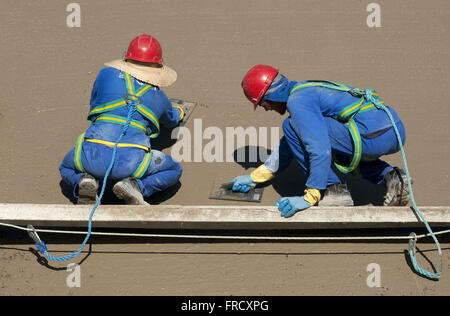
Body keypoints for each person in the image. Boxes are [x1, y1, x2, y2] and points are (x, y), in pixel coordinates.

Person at [231, 65, 410, 217]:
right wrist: (256, 177)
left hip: (368, 134)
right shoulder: (304, 90)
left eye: (263, 104)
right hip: (392, 131)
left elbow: (319, 149)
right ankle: (392, 178)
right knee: (312, 136)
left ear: (270, 96)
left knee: (294, 128)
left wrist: (311, 195)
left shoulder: (297, 102)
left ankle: (332, 192)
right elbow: (290, 144)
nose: (266, 109)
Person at [59, 34, 184, 205]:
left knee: (65, 167)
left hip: (91, 156)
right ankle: (136, 186)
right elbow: (171, 119)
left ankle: (85, 180)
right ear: (157, 66)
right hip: (132, 164)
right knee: (173, 169)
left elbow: (94, 104)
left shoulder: (105, 74)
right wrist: (178, 112)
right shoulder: (158, 95)